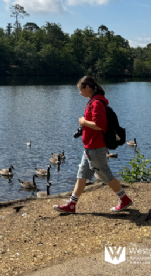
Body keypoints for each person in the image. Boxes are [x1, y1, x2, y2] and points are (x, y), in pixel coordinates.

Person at [53, 76, 132, 213]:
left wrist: (83, 122)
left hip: (96, 147)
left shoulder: (96, 103)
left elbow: (100, 125)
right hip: (89, 147)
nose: (79, 92)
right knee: (81, 175)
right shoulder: (93, 101)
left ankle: (124, 199)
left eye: (80, 89)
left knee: (105, 175)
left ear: (88, 87)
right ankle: (72, 204)